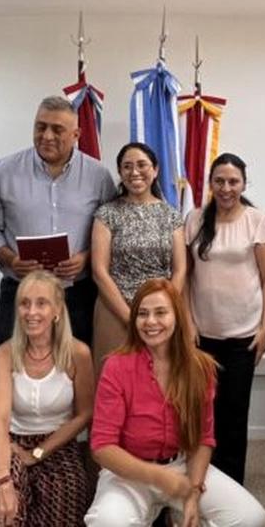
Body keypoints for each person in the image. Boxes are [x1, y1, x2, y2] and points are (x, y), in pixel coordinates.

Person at [85, 279, 265, 527]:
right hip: (129, 471)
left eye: (161, 312)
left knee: (250, 516)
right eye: (142, 314)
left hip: (181, 466)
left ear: (177, 317)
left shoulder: (200, 367)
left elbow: (204, 438)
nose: (150, 321)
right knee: (106, 522)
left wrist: (193, 492)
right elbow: (102, 447)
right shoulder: (116, 366)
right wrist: (158, 477)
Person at [0, 96, 117, 347]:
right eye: (40, 127)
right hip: (19, 291)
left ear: (76, 134)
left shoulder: (98, 176)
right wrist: (11, 259)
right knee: (11, 363)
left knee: (76, 365)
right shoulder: (6, 170)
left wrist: (87, 257)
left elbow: (113, 230)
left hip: (77, 295)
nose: (47, 136)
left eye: (57, 129)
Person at [0, 271, 95, 527]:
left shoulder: (78, 353)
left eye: (41, 303)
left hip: (59, 444)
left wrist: (37, 453)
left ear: (57, 310)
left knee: (64, 505)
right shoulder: (5, 354)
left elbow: (85, 414)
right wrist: (2, 480)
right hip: (11, 442)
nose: (31, 312)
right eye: (24, 303)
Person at [184, 152, 265, 484]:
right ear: (210, 183)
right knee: (202, 415)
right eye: (219, 181)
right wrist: (188, 322)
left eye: (233, 181)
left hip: (243, 337)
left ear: (244, 184)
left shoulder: (257, 220)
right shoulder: (194, 219)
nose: (226, 188)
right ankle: (202, 483)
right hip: (201, 337)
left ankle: (233, 488)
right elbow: (185, 277)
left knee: (234, 417)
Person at [90, 142, 185, 378]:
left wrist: (164, 310)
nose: (134, 172)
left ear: (155, 170)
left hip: (161, 316)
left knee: (159, 383)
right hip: (115, 311)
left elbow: (180, 270)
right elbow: (99, 271)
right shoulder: (106, 214)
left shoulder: (171, 216)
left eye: (142, 165)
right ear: (120, 172)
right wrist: (130, 316)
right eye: (127, 166)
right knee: (115, 382)